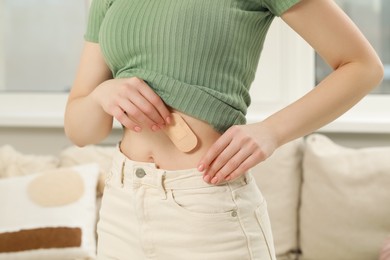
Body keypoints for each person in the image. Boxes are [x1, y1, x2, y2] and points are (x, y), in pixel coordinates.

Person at [64, 0, 384, 259]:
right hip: (122, 206)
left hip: (206, 208)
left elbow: (363, 66)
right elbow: (81, 131)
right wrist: (101, 95)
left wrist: (271, 132)